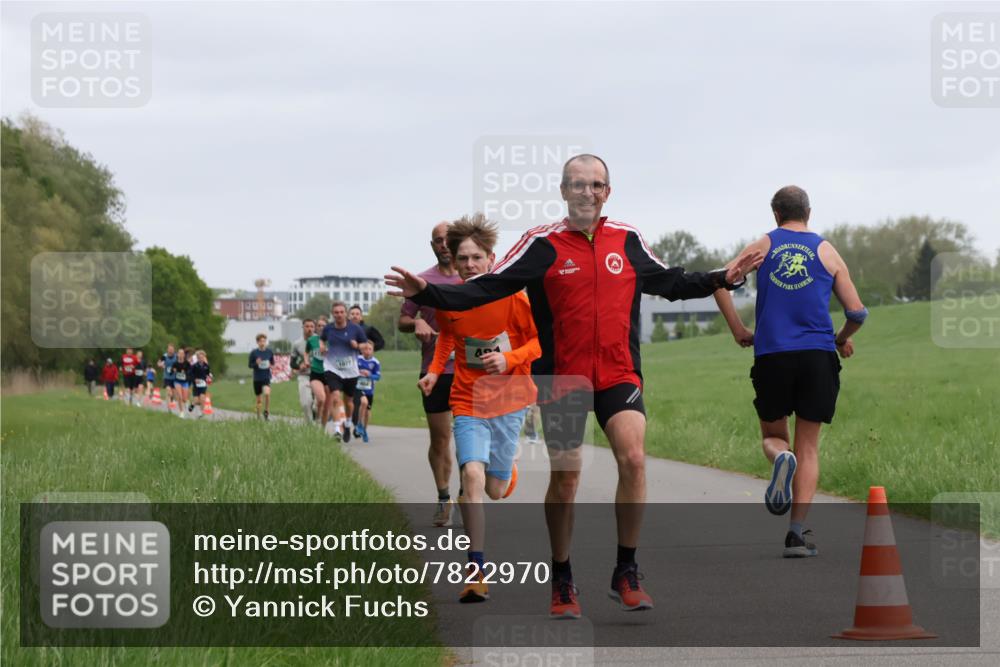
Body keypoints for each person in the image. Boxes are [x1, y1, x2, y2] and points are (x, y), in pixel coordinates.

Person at [387, 154, 762, 617]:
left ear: (608, 191)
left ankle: (626, 569)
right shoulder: (541, 244)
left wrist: (723, 277)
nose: (588, 192)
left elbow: (671, 282)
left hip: (618, 371)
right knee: (567, 481)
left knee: (634, 457)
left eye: (597, 184)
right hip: (562, 376)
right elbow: (486, 287)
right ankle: (561, 577)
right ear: (564, 191)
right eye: (578, 184)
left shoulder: (627, 239)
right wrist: (426, 293)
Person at [713, 185, 866, 558]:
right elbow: (857, 312)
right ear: (808, 212)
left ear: (775, 214)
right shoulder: (826, 250)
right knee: (809, 446)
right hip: (817, 356)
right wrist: (839, 338)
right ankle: (796, 534)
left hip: (773, 354)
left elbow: (720, 283)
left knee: (774, 435)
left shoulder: (762, 247)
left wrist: (739, 330)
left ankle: (780, 459)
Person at [417, 215, 540, 604]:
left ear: (491, 258)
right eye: (462, 258)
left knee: (495, 489)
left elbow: (539, 344)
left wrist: (509, 358)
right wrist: (435, 372)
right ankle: (475, 570)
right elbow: (448, 339)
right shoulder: (451, 300)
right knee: (471, 474)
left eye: (476, 258)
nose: (469, 265)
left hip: (510, 399)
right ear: (454, 261)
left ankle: (505, 470)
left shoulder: (514, 297)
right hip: (468, 400)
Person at [398, 221, 463, 527]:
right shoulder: (421, 281)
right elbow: (403, 319)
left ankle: (467, 495)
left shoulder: (472, 276)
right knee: (440, 440)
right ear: (432, 245)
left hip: (469, 370)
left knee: (468, 439)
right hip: (435, 371)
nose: (444, 245)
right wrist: (417, 324)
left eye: (448, 240)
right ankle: (443, 497)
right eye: (438, 241)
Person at [320, 302, 367, 441]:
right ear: (333, 314)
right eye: (336, 312)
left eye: (341, 312)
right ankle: (337, 429)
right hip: (332, 368)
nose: (339, 315)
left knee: (349, 402)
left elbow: (365, 345)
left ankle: (347, 424)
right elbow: (322, 340)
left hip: (350, 370)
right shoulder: (328, 329)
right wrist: (322, 347)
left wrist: (357, 345)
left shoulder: (355, 329)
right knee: (334, 397)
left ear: (345, 313)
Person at [354, 341, 381, 442]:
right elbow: (351, 371)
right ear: (362, 350)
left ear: (373, 350)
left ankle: (364, 430)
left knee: (367, 412)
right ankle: (359, 424)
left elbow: (378, 377)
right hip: (358, 388)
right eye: (365, 349)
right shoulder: (358, 359)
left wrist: (369, 374)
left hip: (369, 390)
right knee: (363, 402)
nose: (367, 351)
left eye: (370, 349)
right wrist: (359, 372)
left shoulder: (375, 362)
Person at [293, 319, 318, 423]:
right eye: (307, 326)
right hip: (304, 375)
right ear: (303, 328)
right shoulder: (297, 344)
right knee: (305, 403)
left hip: (318, 376)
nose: (309, 329)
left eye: (312, 326)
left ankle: (317, 418)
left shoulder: (320, 341)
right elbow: (292, 363)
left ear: (315, 328)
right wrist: (299, 366)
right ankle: (310, 427)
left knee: (317, 404)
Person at [306, 319, 328, 426]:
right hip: (316, 373)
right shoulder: (312, 340)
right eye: (319, 325)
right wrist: (306, 360)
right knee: (321, 399)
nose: (321, 328)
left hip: (329, 374)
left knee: (327, 403)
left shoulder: (333, 340)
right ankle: (318, 419)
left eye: (323, 325)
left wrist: (328, 352)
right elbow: (306, 352)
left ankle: (322, 428)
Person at [248, 334, 274, 420]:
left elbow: (272, 362)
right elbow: (250, 365)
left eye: (264, 341)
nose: (262, 343)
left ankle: (266, 411)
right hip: (257, 378)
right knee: (259, 399)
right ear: (257, 342)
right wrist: (256, 363)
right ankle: (258, 416)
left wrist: (271, 365)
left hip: (266, 377)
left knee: (267, 393)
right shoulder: (254, 353)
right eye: (260, 341)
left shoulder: (269, 352)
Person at [190, 349, 213, 417]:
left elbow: (208, 374)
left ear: (204, 358)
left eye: (202, 357)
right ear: (197, 358)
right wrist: (194, 379)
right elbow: (190, 374)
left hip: (203, 384)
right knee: (196, 400)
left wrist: (209, 378)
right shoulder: (194, 366)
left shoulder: (206, 366)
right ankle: (192, 405)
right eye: (199, 358)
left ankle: (201, 412)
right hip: (196, 385)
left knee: (202, 398)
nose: (201, 359)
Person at [172, 348, 191, 416]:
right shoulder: (175, 363)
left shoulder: (187, 363)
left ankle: (186, 401)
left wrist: (185, 372)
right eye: (179, 353)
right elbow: (171, 371)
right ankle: (181, 412)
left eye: (182, 353)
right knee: (180, 397)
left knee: (184, 399)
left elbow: (190, 371)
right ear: (177, 354)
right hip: (177, 381)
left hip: (185, 382)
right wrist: (173, 370)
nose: (180, 355)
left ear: (183, 355)